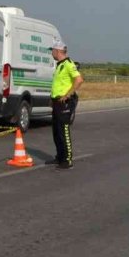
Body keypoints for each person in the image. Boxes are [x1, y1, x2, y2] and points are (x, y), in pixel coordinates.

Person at [47, 39, 83, 169]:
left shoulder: (68, 64)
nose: (51, 53)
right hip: (57, 102)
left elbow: (79, 80)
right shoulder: (59, 65)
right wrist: (52, 98)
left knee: (64, 131)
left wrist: (68, 94)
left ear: (57, 51)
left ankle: (67, 160)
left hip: (65, 103)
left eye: (52, 50)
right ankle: (60, 157)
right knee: (56, 131)